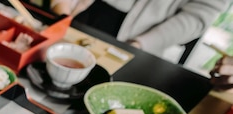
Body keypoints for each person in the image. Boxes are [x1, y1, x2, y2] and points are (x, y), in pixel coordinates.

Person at [50, 0, 227, 57]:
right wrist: (62, 9)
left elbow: (198, 15)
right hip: (81, 12)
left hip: (138, 40)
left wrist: (140, 44)